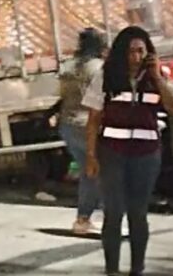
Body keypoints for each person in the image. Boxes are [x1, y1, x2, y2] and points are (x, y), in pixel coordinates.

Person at [84, 26, 173, 276]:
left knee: (138, 214)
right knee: (114, 212)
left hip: (146, 155)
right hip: (112, 153)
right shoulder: (106, 77)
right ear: (121, 53)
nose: (136, 57)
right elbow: (94, 119)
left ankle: (137, 269)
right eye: (131, 52)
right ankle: (112, 270)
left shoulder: (155, 79)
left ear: (149, 53)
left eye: (141, 51)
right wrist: (91, 156)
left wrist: (157, 76)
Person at [58, 27, 105, 234]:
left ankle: (83, 220)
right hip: (87, 126)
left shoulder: (68, 67)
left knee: (90, 172)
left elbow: (60, 95)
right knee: (106, 171)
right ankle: (108, 218)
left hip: (68, 125)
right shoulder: (98, 68)